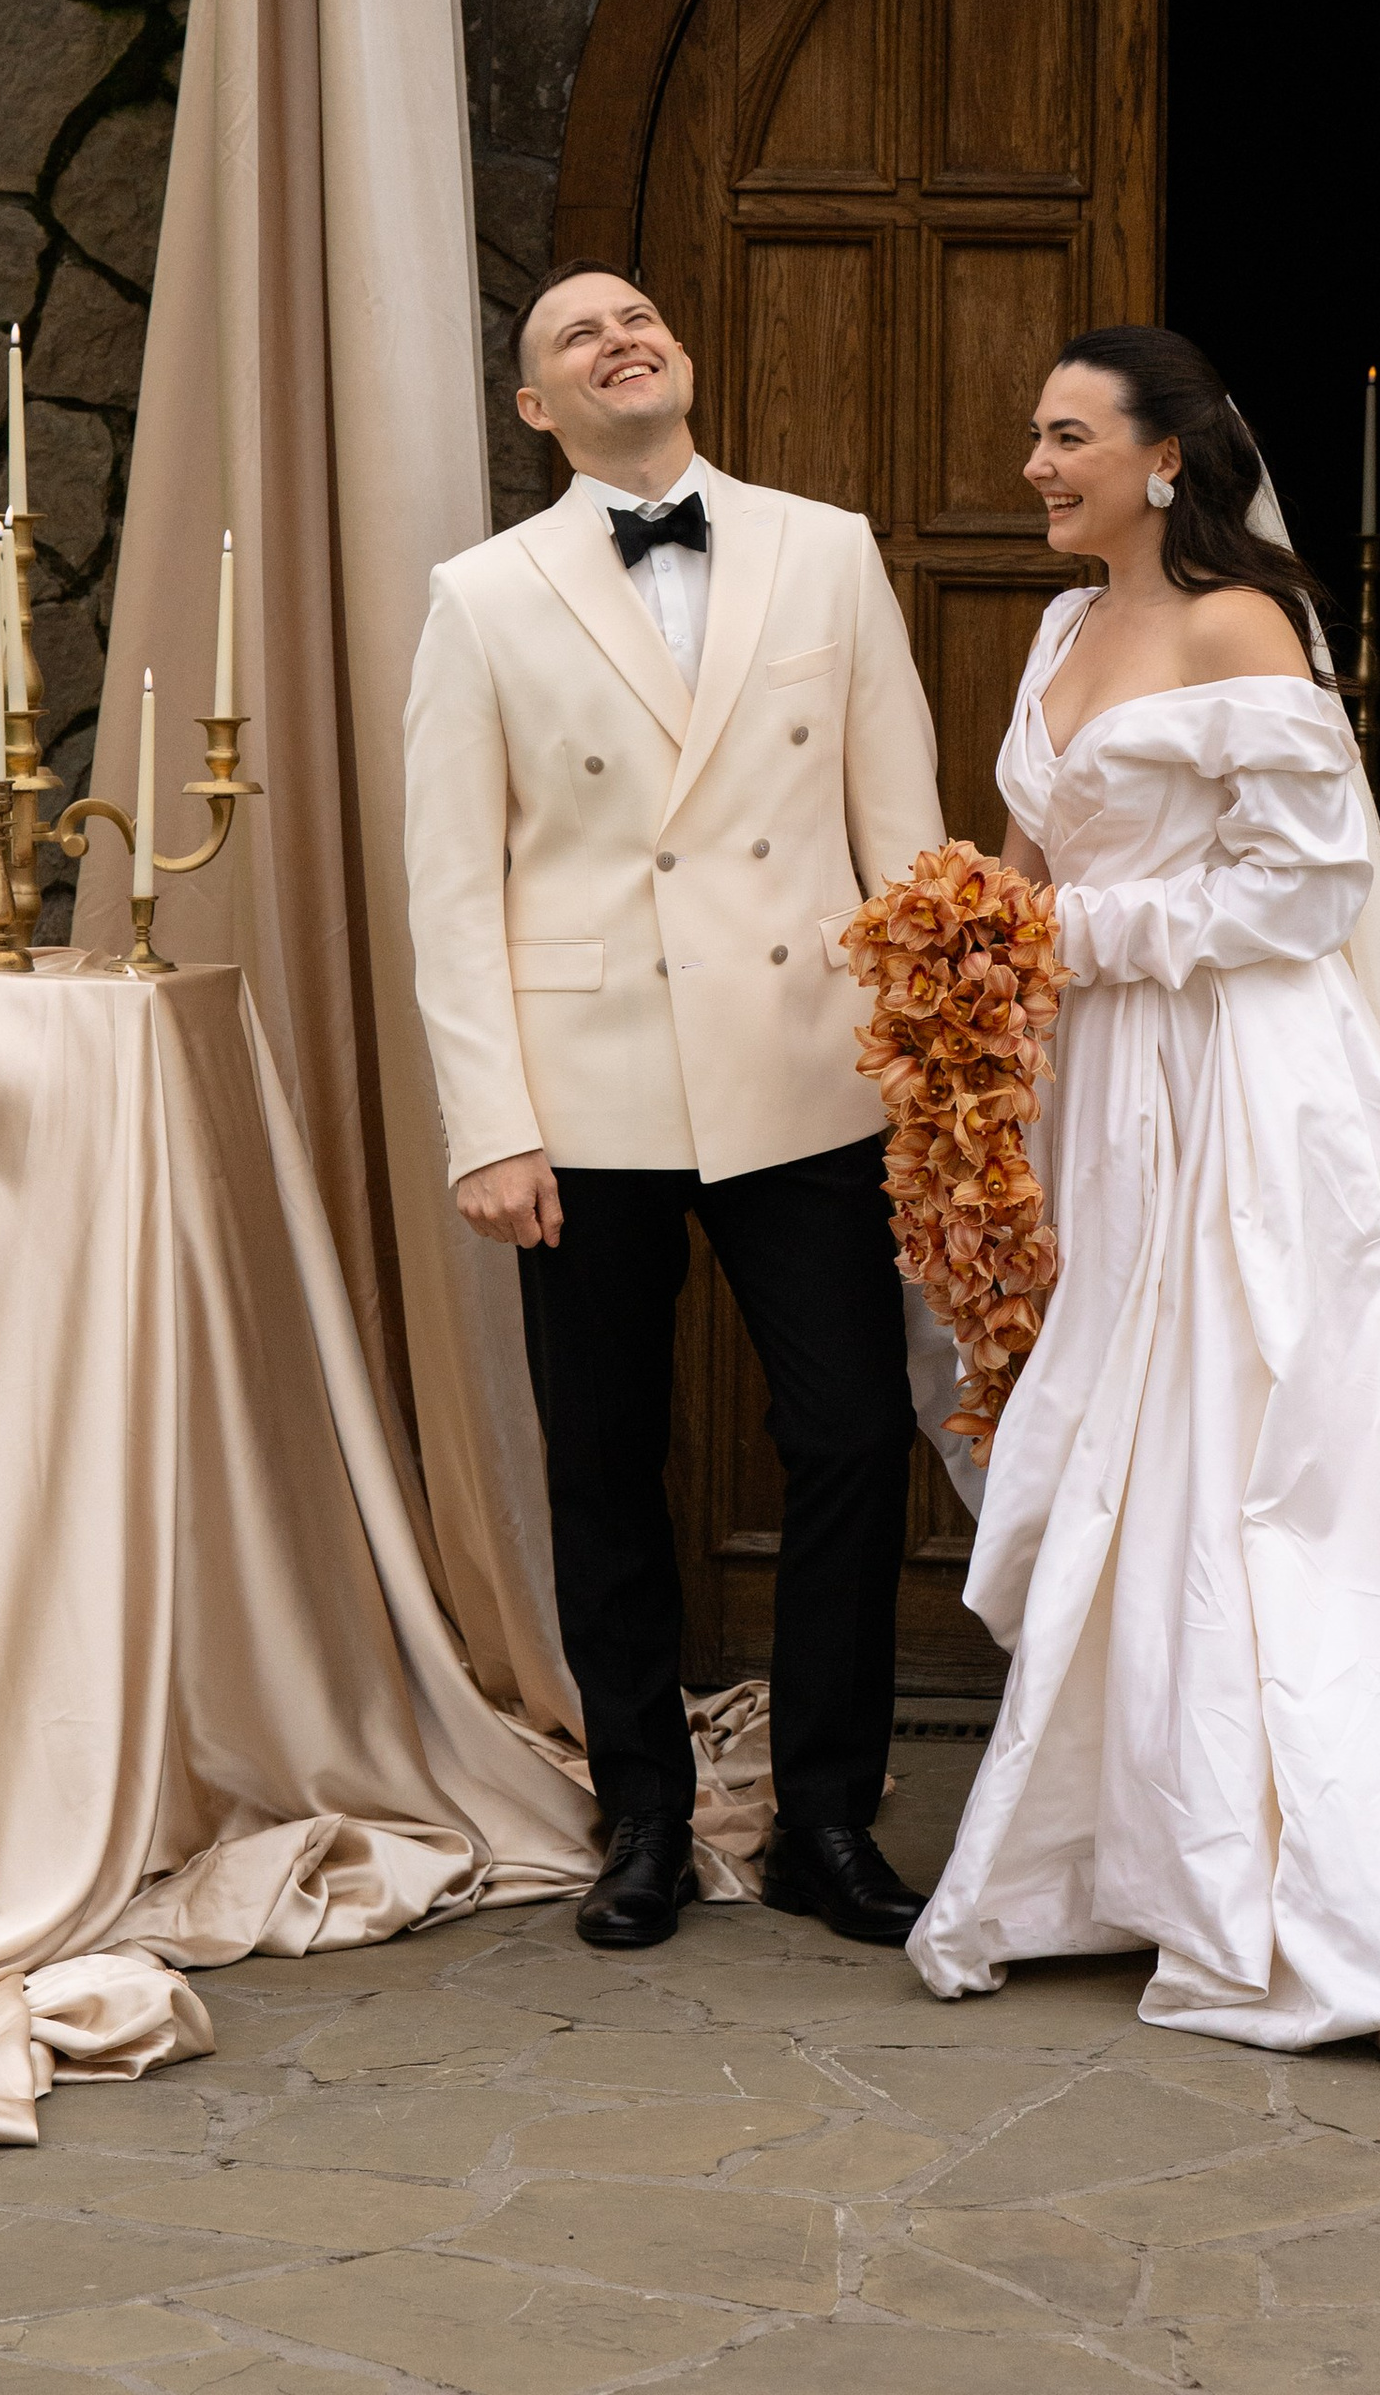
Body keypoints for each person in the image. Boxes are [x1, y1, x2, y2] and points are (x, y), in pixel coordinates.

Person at [908, 326, 1380, 2067]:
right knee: (1132, 1425)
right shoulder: (1061, 629)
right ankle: (1133, 1844)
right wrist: (974, 968)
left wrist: (1063, 938)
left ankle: (1323, 1853)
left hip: (1245, 1081)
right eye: (1036, 435)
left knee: (1260, 1433)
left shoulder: (1243, 625)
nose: (1035, 465)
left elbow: (1309, 889)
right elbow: (1028, 855)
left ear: (1166, 458)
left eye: (1068, 437)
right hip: (1108, 1086)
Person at [402, 262, 945, 1953]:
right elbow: (451, 888)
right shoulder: (481, 596)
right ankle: (640, 1810)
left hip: (807, 1068)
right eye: (580, 334)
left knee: (854, 1435)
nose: (620, 339)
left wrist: (937, 1066)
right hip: (587, 1094)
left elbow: (900, 830)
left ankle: (826, 1818)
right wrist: (490, 1122)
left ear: (681, 356)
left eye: (637, 319)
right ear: (536, 406)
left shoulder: (827, 549)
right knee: (604, 1457)